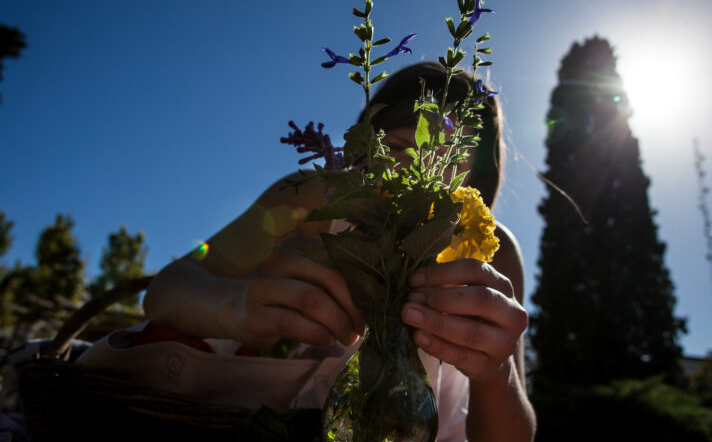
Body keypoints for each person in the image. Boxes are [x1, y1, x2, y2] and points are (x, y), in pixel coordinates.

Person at [142, 62, 536, 441]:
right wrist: (237, 307)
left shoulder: (491, 257)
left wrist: (496, 373)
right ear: (361, 148)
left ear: (475, 183)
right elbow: (165, 290)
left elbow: (514, 437)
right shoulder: (314, 200)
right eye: (398, 147)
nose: (416, 178)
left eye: (445, 161)